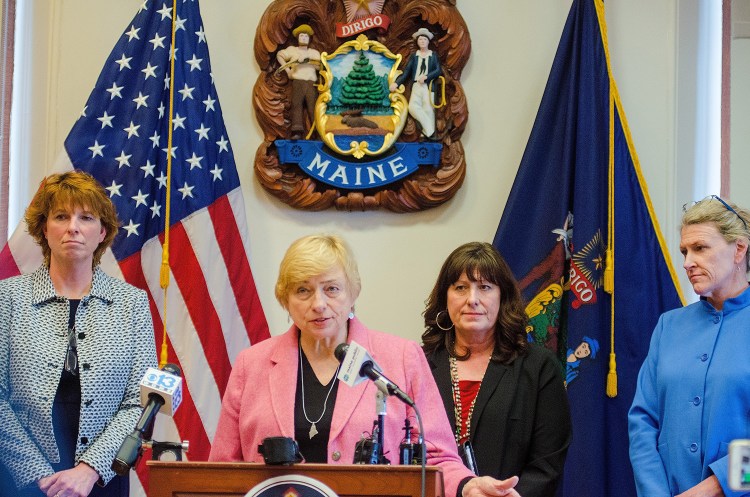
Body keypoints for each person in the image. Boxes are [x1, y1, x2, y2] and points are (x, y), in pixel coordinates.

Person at [209, 234, 522, 497]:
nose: (318, 303)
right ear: (285, 299)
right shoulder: (253, 363)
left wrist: (467, 485)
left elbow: (437, 454)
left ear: (353, 292)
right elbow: (222, 469)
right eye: (303, 290)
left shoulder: (401, 357)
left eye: (331, 288)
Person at [0, 171, 157, 497]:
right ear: (45, 228)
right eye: (61, 216)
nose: (73, 226)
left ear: (102, 232)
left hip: (102, 480)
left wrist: (89, 470)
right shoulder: (8, 298)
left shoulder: (132, 303)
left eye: (85, 217)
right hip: (20, 480)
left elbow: (141, 402)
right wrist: (39, 475)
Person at [422, 242, 572, 497]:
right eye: (460, 287)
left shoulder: (538, 367)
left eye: (485, 288)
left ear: (502, 297)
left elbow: (547, 462)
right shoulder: (419, 365)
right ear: (444, 298)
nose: (472, 299)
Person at [629, 195, 750, 497]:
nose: (687, 262)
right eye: (684, 250)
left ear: (739, 249)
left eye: (700, 248)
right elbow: (642, 421)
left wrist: (716, 486)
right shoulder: (669, 326)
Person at [390, 27, 443, 139]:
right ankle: (430, 130)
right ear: (417, 42)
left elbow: (438, 71)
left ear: (428, 41)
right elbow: (407, 72)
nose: (422, 41)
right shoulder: (414, 56)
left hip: (428, 87)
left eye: (424, 39)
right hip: (416, 86)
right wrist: (397, 83)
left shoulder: (433, 56)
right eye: (420, 40)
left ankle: (425, 133)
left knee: (428, 109)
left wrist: (426, 77)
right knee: (413, 107)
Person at [276, 24, 321, 140]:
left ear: (309, 38)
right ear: (297, 38)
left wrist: (309, 62)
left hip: (311, 83)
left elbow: (320, 67)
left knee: (313, 107)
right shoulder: (292, 51)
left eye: (306, 36)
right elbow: (280, 55)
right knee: (297, 105)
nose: (304, 38)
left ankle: (318, 131)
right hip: (297, 82)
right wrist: (288, 71)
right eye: (301, 36)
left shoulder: (314, 53)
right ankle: (297, 131)